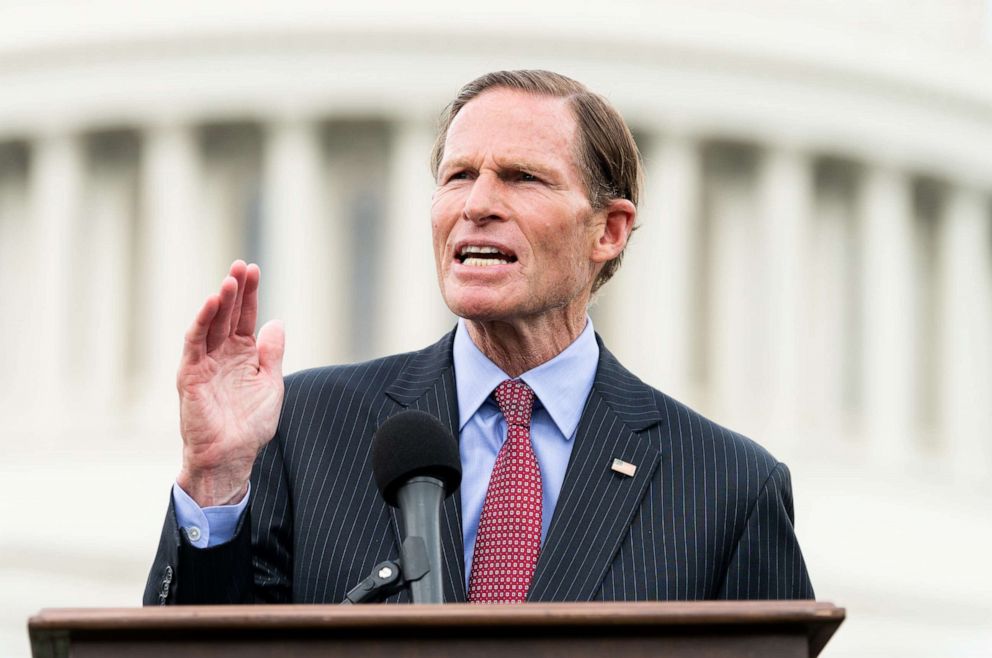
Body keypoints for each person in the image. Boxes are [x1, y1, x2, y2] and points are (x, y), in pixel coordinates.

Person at [145, 70, 814, 605]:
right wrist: (215, 478)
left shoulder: (726, 488)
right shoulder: (306, 430)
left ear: (607, 232)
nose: (476, 204)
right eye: (458, 176)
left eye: (522, 178)